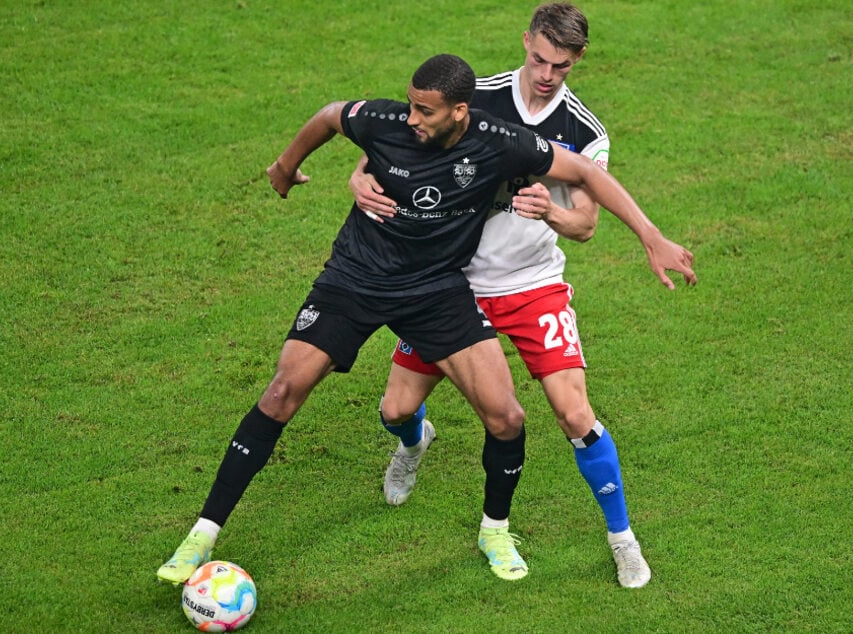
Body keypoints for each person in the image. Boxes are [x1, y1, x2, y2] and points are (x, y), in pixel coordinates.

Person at [157, 52, 693, 587]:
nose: (412, 119)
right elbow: (328, 115)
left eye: (425, 111)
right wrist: (284, 165)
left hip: (436, 290)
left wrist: (652, 237)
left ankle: (494, 530)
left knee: (507, 417)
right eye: (410, 105)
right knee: (282, 393)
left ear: (459, 112)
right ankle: (201, 534)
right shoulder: (388, 122)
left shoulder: (497, 140)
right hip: (355, 277)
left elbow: (582, 176)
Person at [350, 3, 695, 588]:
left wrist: (553, 216)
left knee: (574, 413)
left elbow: (585, 223)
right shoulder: (474, 99)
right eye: (538, 58)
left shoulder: (584, 132)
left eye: (559, 65)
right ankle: (415, 442)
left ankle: (622, 540)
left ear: (577, 60)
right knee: (396, 409)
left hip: (533, 287)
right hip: (452, 283)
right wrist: (360, 175)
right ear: (526, 42)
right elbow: (398, 140)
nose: (545, 73)